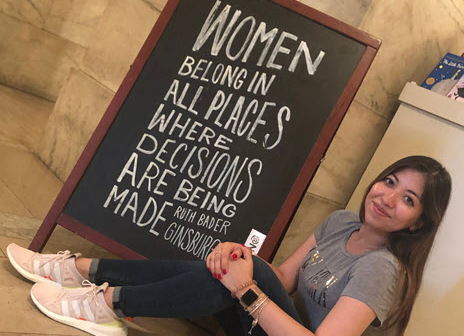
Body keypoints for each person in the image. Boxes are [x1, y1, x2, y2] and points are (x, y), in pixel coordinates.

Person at [6, 155, 451, 336]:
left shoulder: (382, 268)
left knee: (245, 274)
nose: (387, 198)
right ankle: (84, 273)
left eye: (407, 199)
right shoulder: (341, 223)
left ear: (418, 223)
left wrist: (245, 288)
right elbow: (282, 279)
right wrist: (237, 259)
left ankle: (105, 301)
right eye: (389, 182)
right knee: (241, 263)